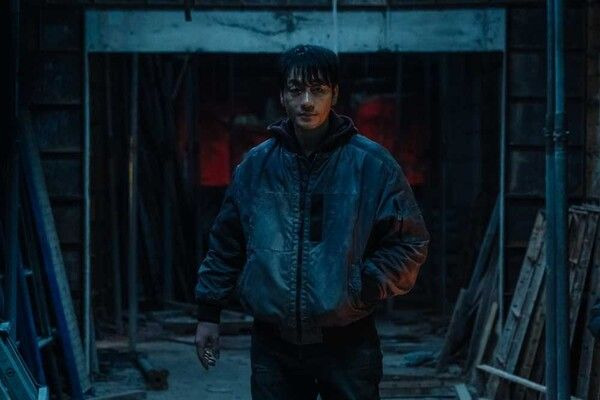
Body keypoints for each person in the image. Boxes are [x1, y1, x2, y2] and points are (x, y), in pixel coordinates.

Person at [194, 44, 430, 400]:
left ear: (335, 94)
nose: (307, 101)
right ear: (282, 96)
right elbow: (227, 244)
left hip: (348, 340)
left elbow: (410, 241)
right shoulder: (256, 167)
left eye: (318, 90)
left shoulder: (372, 165)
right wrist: (208, 314)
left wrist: (364, 285)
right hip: (274, 344)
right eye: (296, 90)